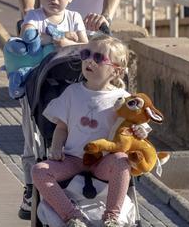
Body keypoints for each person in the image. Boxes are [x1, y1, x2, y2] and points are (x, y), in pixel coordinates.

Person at [17, 0, 128, 217]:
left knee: (102, 106)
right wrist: (27, 19)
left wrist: (104, 17)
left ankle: (105, 175)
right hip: (50, 36)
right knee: (38, 108)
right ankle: (32, 178)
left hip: (89, 38)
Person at [32, 36, 135, 227]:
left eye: (98, 58)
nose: (89, 60)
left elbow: (136, 124)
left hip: (104, 160)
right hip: (72, 159)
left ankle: (112, 217)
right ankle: (71, 216)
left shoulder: (122, 98)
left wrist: (140, 132)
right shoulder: (72, 92)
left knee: (122, 160)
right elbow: (61, 127)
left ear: (116, 71)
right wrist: (56, 147)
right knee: (39, 171)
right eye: (86, 54)